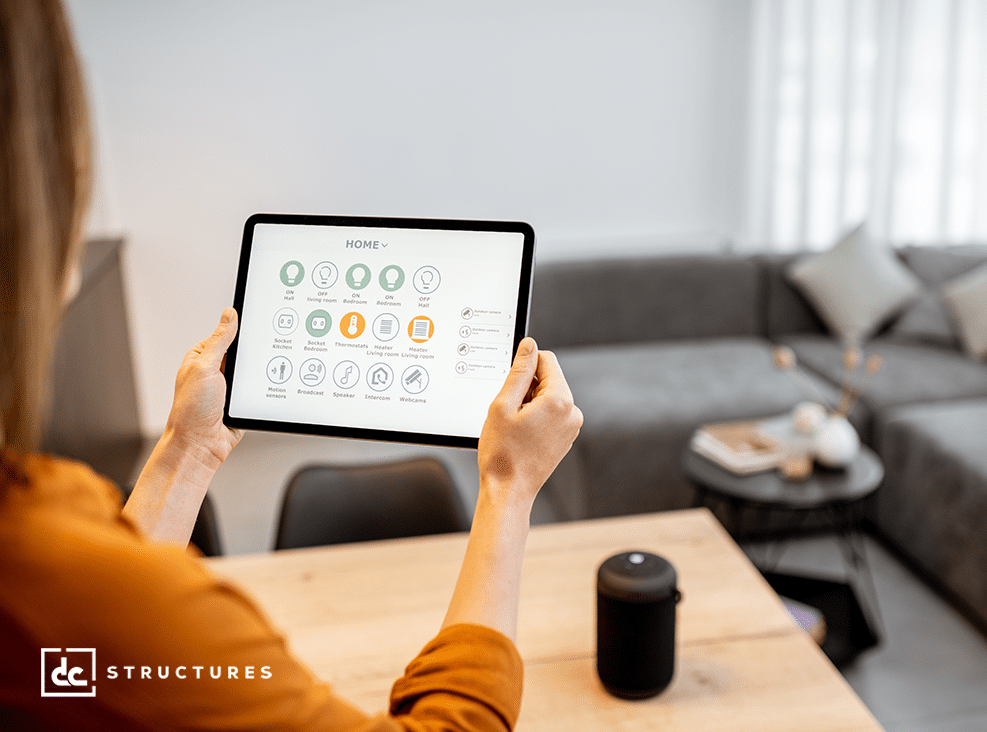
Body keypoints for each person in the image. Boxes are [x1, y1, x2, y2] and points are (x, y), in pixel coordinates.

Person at [0, 1, 583, 729]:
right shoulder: (40, 568)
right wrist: (508, 485)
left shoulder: (55, 588)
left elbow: (80, 667)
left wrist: (187, 448)